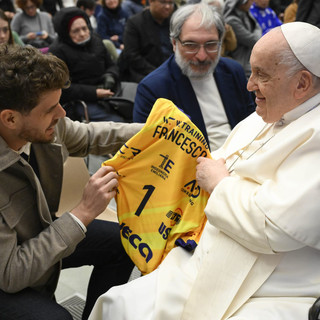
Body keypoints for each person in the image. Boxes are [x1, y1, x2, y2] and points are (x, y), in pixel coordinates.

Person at [88, 21, 320, 320]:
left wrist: (220, 183)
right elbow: (219, 160)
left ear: (301, 84)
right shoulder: (270, 113)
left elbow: (273, 226)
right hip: (209, 247)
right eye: (251, 72)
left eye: (261, 75)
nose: (250, 85)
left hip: (274, 280)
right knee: (119, 303)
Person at [0, 44, 143, 320]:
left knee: (123, 242)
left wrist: (153, 130)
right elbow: (11, 273)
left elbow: (89, 136)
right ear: (10, 118)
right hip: (6, 270)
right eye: (51, 109)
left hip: (34, 238)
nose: (62, 114)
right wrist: (83, 213)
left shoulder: (41, 126)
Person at [133, 3, 254, 151]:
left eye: (211, 44)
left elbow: (252, 124)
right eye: (191, 45)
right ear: (174, 44)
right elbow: (149, 152)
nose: (202, 56)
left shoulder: (234, 71)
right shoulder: (153, 89)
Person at [49, 7, 123, 122]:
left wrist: (110, 75)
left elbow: (112, 64)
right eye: (75, 31)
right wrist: (94, 92)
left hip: (109, 89)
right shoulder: (57, 52)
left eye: (84, 28)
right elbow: (63, 88)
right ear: (66, 33)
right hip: (81, 100)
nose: (83, 34)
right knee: (118, 122)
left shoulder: (96, 39)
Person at [118, 0, 175, 82]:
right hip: (144, 73)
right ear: (151, 1)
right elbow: (131, 55)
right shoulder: (135, 23)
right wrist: (158, 73)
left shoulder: (173, 22)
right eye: (163, 2)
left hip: (170, 70)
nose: (168, 7)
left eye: (170, 3)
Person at [224, 0, 262, 78]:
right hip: (241, 60)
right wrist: (257, 33)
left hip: (249, 55)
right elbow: (252, 40)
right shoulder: (232, 20)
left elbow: (258, 26)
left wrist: (257, 32)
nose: (252, 2)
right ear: (243, 3)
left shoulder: (246, 14)